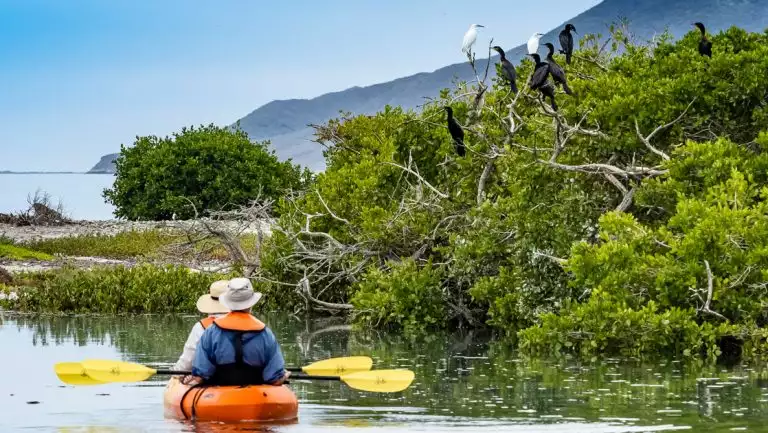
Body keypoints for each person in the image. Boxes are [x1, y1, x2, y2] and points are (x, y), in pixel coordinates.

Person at [182, 277, 290, 386]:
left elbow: (201, 375)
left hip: (218, 396)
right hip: (257, 395)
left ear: (227, 303)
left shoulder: (211, 332)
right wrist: (284, 375)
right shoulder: (266, 334)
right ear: (251, 303)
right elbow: (275, 379)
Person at [172, 280, 231, 372]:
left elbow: (188, 360)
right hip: (249, 380)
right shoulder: (253, 325)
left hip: (211, 380)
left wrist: (176, 372)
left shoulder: (201, 327)